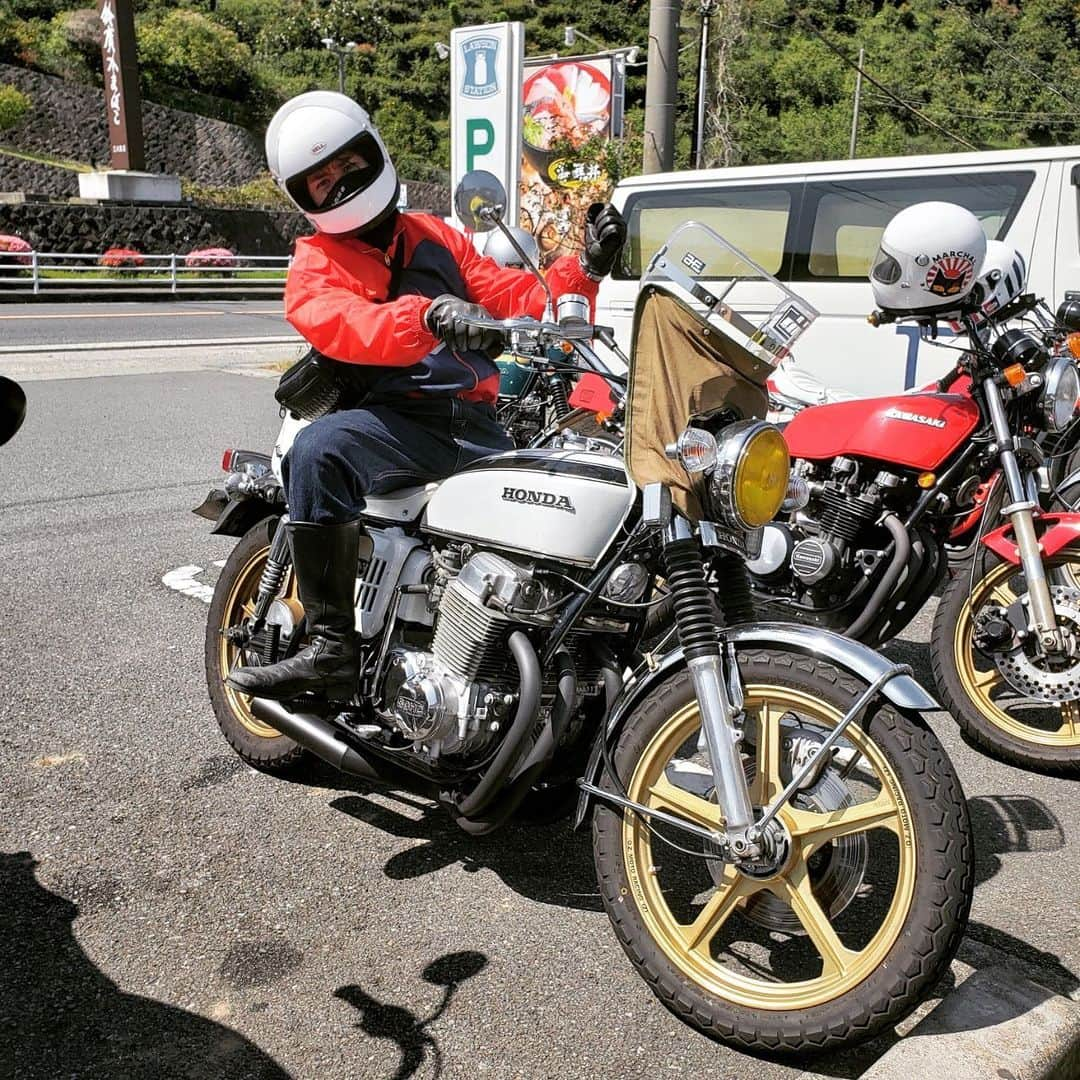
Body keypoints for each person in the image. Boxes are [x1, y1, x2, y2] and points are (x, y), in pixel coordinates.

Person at [227, 91, 626, 701]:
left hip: (476, 422)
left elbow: (516, 296)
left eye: (347, 166)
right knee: (318, 450)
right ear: (301, 197)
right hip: (393, 419)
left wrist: (584, 271)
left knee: (566, 505)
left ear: (374, 154)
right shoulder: (316, 260)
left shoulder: (436, 234)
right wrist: (429, 316)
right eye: (320, 180)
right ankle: (333, 646)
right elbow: (340, 323)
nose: (338, 185)